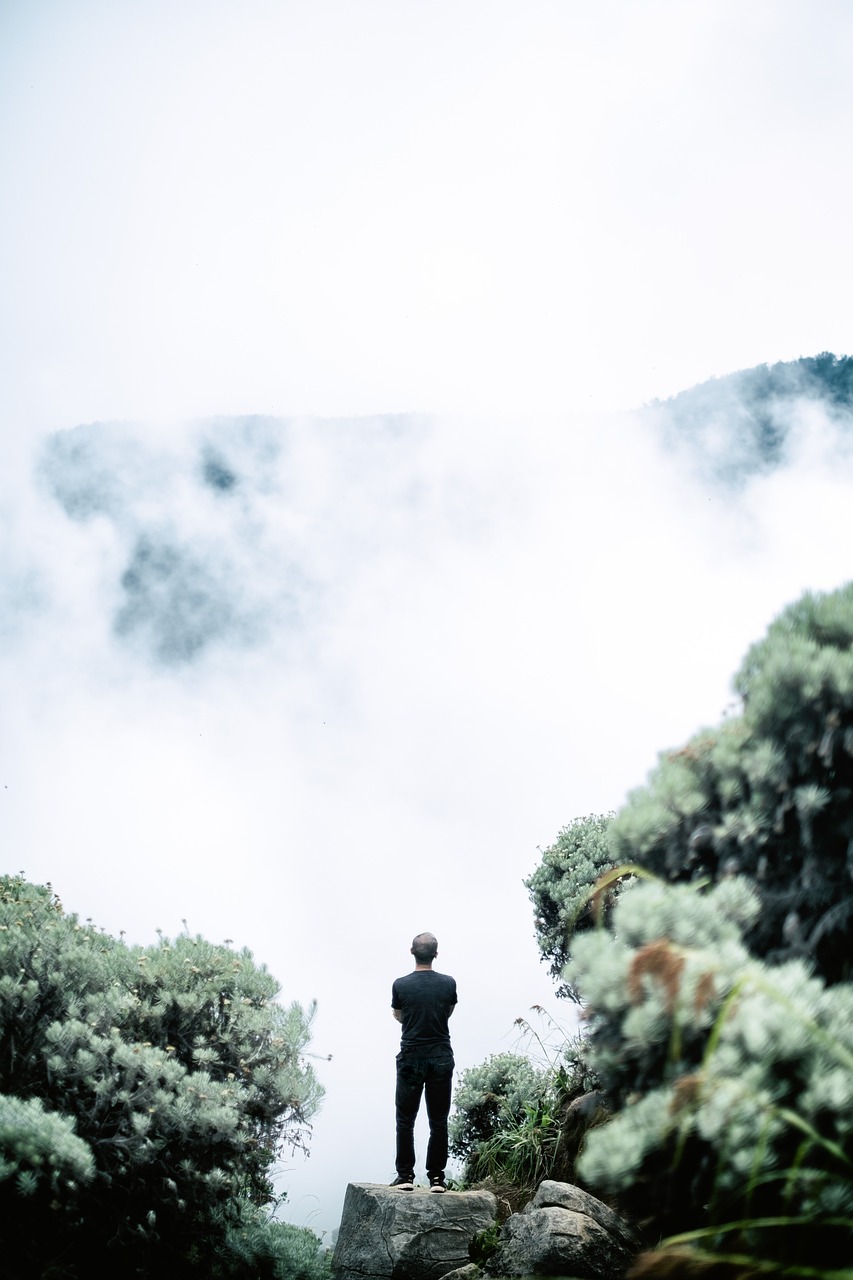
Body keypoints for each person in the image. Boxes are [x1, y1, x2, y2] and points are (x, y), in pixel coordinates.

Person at [390, 931, 457, 1192]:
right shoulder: (448, 983)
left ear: (411, 951)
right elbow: (448, 1012)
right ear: (436, 954)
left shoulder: (400, 984)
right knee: (438, 1120)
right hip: (441, 1056)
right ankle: (437, 1179)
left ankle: (405, 1176)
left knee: (405, 1119)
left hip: (411, 1057)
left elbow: (399, 1015)